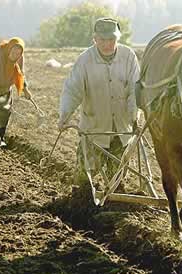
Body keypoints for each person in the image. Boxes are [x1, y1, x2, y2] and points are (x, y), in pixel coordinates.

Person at [58, 17, 140, 187]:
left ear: (118, 38)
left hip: (121, 130)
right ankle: (80, 207)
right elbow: (73, 89)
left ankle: (113, 207)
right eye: (102, 40)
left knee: (117, 179)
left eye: (111, 39)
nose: (107, 44)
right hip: (94, 129)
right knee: (83, 178)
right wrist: (65, 115)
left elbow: (135, 89)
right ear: (95, 39)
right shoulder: (85, 60)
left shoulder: (128, 57)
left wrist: (134, 116)